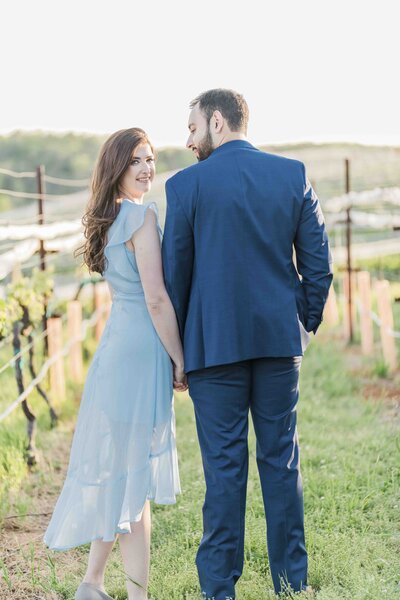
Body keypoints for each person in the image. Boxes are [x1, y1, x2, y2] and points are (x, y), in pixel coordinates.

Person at [162, 89, 333, 599]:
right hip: (279, 343)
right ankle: (292, 585)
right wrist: (301, 324)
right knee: (281, 461)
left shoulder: (185, 186)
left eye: (192, 128)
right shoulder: (291, 174)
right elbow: (318, 266)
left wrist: (181, 352)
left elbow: (176, 278)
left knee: (223, 470)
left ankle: (219, 590)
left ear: (217, 120)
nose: (188, 140)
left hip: (211, 349)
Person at [44, 128, 185, 600]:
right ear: (117, 169)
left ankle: (92, 583)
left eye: (150, 159)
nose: (147, 168)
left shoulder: (108, 220)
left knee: (124, 474)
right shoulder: (141, 217)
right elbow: (157, 300)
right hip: (140, 353)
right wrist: (180, 359)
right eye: (136, 162)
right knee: (134, 481)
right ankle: (136, 595)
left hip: (115, 350)